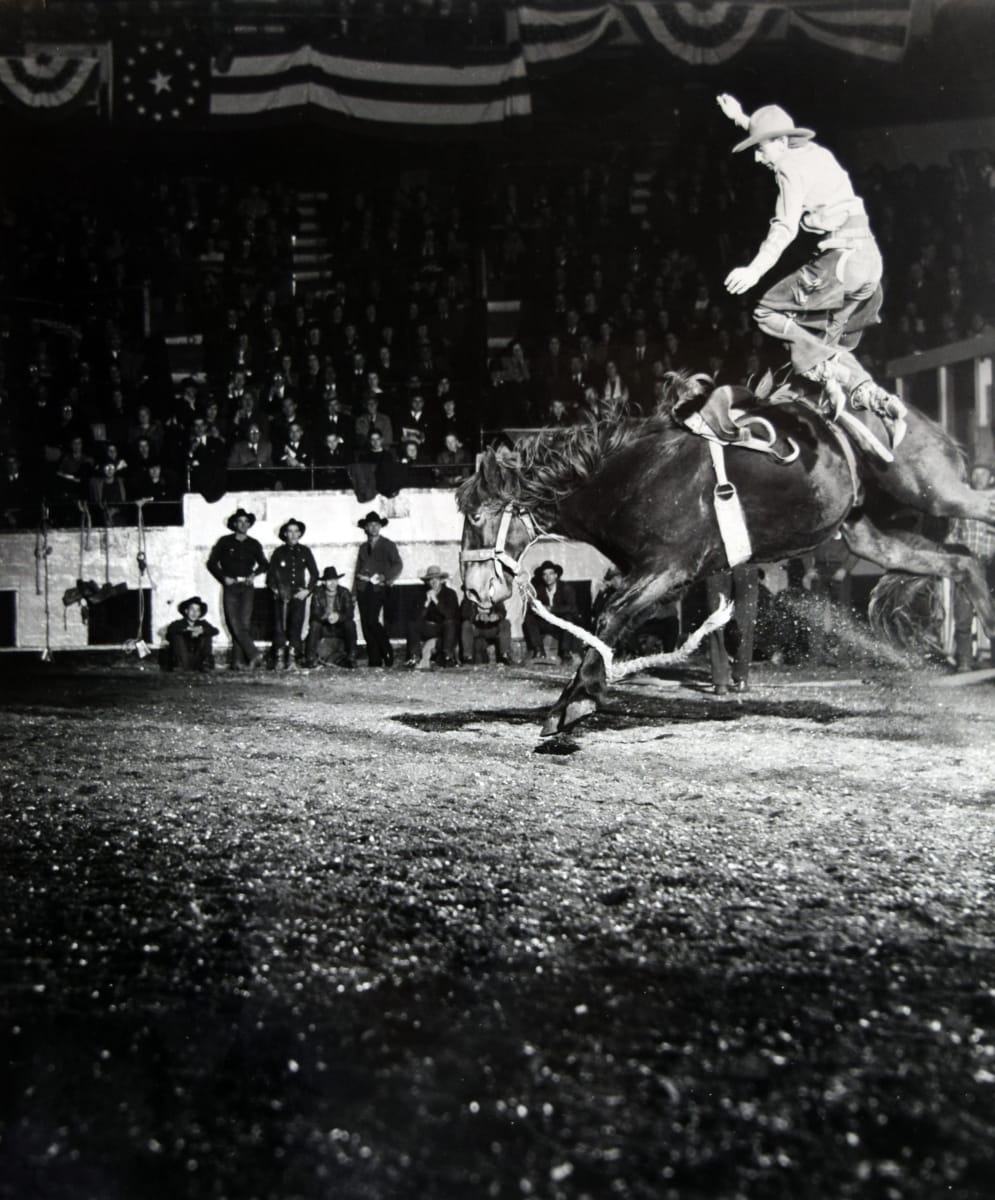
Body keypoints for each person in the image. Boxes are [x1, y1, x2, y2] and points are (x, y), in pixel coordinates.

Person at [717, 95, 906, 440]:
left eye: (760, 149)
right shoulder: (816, 153)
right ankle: (873, 395)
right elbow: (775, 134)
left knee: (767, 312)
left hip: (841, 262)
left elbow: (784, 228)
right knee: (819, 342)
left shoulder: (788, 169)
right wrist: (742, 119)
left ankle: (832, 377)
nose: (758, 158)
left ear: (780, 143)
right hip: (869, 263)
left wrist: (754, 270)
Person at [206, 507, 269, 671]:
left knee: (243, 625)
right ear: (234, 524)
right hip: (231, 587)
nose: (243, 524)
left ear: (249, 524)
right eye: (239, 521)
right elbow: (211, 563)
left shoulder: (254, 544)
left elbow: (264, 564)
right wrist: (223, 577)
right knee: (234, 623)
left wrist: (253, 575)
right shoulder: (224, 541)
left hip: (247, 587)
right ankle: (254, 654)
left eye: (246, 521)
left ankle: (237, 662)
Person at [945, 463, 995, 670]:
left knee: (992, 612)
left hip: (991, 565)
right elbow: (952, 535)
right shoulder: (964, 503)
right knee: (963, 613)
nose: (979, 477)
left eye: (984, 474)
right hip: (967, 564)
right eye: (976, 473)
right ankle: (965, 660)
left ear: (991, 478)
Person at [266, 518, 319, 670]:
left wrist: (307, 591)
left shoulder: (305, 551)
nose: (293, 534)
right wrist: (277, 591)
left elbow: (315, 574)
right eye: (290, 531)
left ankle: (292, 660)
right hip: (281, 595)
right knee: (279, 627)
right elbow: (270, 577)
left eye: (296, 531)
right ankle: (279, 659)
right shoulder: (278, 552)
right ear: (285, 534)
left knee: (296, 625)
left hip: (298, 595)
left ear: (300, 534)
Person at [354, 511, 402, 667]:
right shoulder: (363, 547)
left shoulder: (388, 545)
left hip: (378, 589)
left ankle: (387, 651)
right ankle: (374, 658)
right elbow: (357, 570)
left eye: (376, 525)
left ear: (380, 527)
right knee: (365, 623)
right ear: (366, 528)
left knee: (372, 621)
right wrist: (354, 592)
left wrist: (384, 577)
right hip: (362, 588)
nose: (374, 528)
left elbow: (398, 564)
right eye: (370, 525)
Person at [522, 560, 583, 663]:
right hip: (546, 623)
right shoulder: (539, 590)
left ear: (556, 575)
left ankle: (565, 653)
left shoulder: (566, 588)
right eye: (545, 574)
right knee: (529, 618)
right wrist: (538, 609)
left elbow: (572, 608)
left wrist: (551, 609)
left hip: (561, 624)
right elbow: (531, 607)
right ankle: (539, 650)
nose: (548, 577)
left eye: (550, 574)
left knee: (569, 617)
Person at [405, 565, 459, 668]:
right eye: (431, 580)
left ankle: (448, 656)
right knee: (413, 624)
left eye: (436, 579)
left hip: (445, 628)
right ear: (427, 582)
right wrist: (426, 603)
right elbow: (417, 618)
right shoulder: (422, 594)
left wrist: (436, 601)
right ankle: (414, 657)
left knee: (450, 623)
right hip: (429, 627)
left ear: (441, 580)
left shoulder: (450, 593)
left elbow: (450, 615)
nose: (433, 582)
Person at [304, 566, 358, 668]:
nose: (333, 583)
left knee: (350, 624)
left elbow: (350, 613)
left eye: (335, 580)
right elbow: (315, 613)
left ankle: (351, 658)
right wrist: (327, 617)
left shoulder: (344, 592)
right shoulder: (317, 593)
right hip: (324, 627)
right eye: (329, 581)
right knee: (315, 624)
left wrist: (338, 617)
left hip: (339, 627)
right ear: (324, 582)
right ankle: (310, 659)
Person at [163, 595, 219, 673]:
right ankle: (179, 665)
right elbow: (170, 630)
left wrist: (202, 631)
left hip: (198, 660)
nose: (194, 613)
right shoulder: (178, 623)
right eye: (192, 609)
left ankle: (205, 665)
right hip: (183, 659)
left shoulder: (202, 623)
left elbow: (215, 631)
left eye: (197, 610)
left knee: (207, 634)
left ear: (200, 613)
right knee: (176, 635)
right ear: (186, 611)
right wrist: (188, 630)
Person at [460, 594, 513, 665]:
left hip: (492, 628)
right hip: (477, 628)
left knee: (505, 623)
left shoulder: (495, 596)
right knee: (466, 624)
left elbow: (502, 611)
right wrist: (477, 617)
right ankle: (468, 657)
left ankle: (505, 656)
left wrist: (497, 616)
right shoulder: (470, 597)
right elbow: (464, 613)